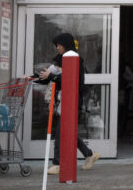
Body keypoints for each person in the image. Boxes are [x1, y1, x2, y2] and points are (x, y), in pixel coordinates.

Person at [34, 31, 99, 173]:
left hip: (72, 102)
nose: (57, 47)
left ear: (66, 45)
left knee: (61, 133)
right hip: (61, 102)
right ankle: (89, 154)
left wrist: (52, 76)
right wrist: (32, 78)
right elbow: (48, 75)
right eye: (56, 45)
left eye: (59, 45)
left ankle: (58, 164)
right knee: (68, 132)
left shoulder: (76, 60)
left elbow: (71, 81)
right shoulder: (58, 60)